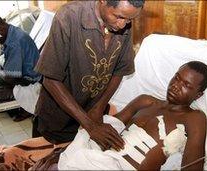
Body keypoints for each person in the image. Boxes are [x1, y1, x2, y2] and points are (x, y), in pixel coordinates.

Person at [31, 61, 207, 170]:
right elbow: (104, 129)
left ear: (198, 95)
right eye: (176, 78)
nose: (175, 86)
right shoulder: (145, 101)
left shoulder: (194, 118)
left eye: (186, 85)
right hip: (100, 159)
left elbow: (192, 166)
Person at [33, 0, 145, 151]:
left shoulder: (124, 20)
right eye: (118, 17)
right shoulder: (69, 16)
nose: (122, 25)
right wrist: (90, 125)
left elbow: (119, 70)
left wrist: (98, 109)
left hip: (93, 112)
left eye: (130, 19)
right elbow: (51, 79)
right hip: (58, 117)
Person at [0, 15, 41, 122]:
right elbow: (5, 58)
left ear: (1, 28)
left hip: (28, 80)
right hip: (18, 72)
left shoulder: (15, 43)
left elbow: (10, 78)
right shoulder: (10, 32)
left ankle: (25, 110)